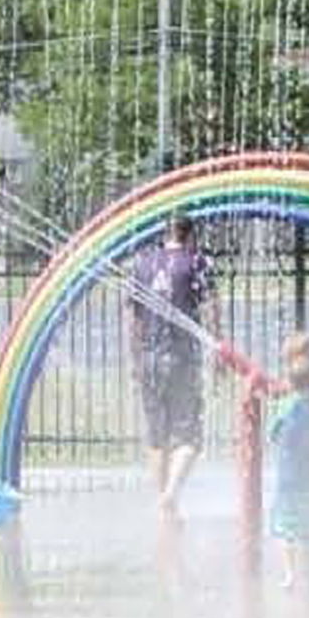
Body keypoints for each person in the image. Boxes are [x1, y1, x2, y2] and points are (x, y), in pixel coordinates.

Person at [125, 213, 218, 519]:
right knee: (190, 437)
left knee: (157, 436)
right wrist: (217, 352)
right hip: (182, 360)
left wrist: (135, 360)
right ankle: (170, 494)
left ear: (166, 235)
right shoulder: (196, 262)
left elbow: (133, 319)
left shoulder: (141, 263)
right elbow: (210, 310)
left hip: (150, 359)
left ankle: (164, 508)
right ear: (190, 236)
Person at [269, 334, 309, 601]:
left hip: (287, 480)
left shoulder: (285, 406)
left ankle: (290, 574)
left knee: (287, 530)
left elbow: (273, 434)